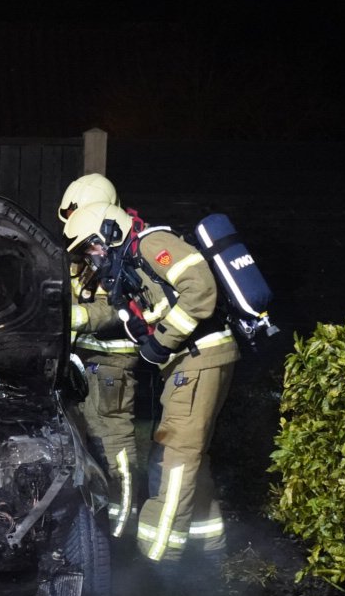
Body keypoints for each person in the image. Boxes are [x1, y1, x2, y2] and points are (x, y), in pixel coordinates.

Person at [63, 200, 238, 570]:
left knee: (175, 457)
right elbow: (131, 312)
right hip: (190, 360)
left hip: (198, 356)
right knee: (189, 454)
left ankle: (158, 559)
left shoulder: (152, 245)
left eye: (91, 246)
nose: (91, 257)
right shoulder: (130, 263)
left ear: (109, 232)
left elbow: (200, 288)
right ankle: (210, 548)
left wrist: (162, 341)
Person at [58, 174, 141, 539]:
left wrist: (71, 317)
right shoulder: (87, 256)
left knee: (113, 442)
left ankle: (123, 526)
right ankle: (98, 520)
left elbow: (112, 308)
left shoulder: (118, 256)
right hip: (85, 364)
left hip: (111, 366)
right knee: (88, 441)